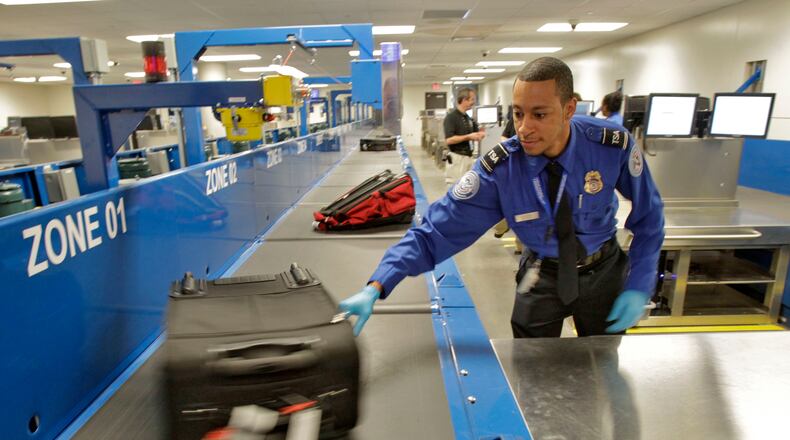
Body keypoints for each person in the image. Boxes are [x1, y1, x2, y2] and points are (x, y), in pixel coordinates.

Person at [339, 57, 664, 338]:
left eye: (539, 114)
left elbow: (649, 217)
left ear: (568, 109)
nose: (523, 128)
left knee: (604, 368)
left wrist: (639, 281)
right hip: (543, 274)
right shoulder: (501, 170)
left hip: (604, 271)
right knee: (532, 374)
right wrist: (378, 284)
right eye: (518, 113)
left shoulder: (609, 146)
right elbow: (436, 232)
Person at [442, 88, 486, 183]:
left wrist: (480, 134)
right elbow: (449, 140)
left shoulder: (468, 118)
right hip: (457, 159)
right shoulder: (451, 118)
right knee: (455, 188)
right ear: (464, 100)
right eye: (472, 99)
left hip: (468, 158)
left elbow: (475, 133)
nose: (473, 102)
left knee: (468, 187)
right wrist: (468, 137)